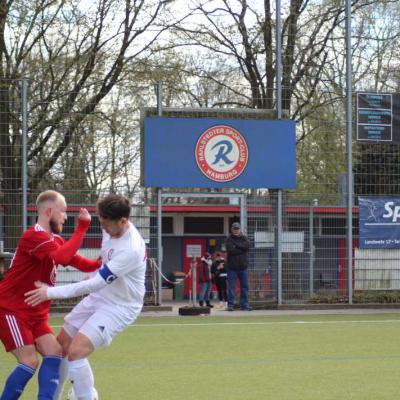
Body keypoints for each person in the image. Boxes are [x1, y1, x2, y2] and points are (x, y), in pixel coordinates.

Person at [24, 193, 147, 400]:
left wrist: (49, 293)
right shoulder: (110, 226)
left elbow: (95, 283)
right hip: (102, 296)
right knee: (62, 345)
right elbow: (100, 271)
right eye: (101, 222)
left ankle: (86, 396)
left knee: (77, 351)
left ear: (123, 221)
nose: (104, 228)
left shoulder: (131, 250)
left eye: (106, 224)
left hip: (120, 306)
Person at [0, 190, 100, 400]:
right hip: (12, 310)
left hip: (36, 314)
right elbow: (63, 257)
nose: (65, 216)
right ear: (48, 211)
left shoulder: (53, 239)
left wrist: (103, 264)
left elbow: (78, 261)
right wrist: (82, 227)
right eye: (63, 211)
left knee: (54, 351)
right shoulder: (33, 236)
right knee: (29, 361)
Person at [225, 222, 252, 311]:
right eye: (234, 229)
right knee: (231, 287)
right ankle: (231, 305)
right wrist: (242, 249)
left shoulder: (244, 238)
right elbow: (231, 251)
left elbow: (247, 247)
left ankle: (244, 305)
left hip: (243, 268)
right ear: (231, 230)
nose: (236, 230)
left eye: (237, 229)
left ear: (240, 229)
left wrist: (236, 245)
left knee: (244, 287)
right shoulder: (228, 239)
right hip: (232, 268)